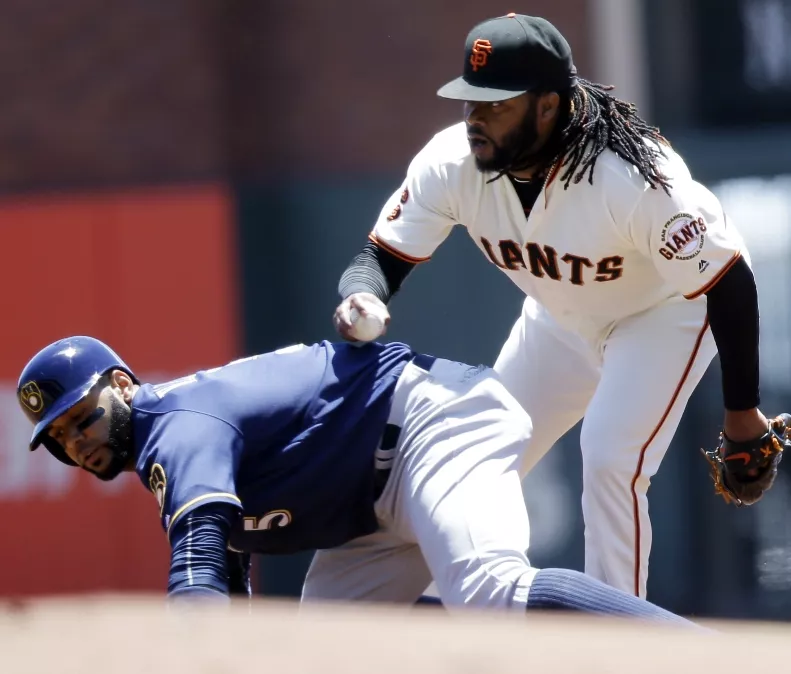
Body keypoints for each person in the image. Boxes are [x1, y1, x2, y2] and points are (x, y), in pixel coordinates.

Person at [333, 13, 772, 598]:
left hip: (661, 315)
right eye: (470, 102)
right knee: (480, 450)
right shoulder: (451, 164)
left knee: (611, 455)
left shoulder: (633, 177)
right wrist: (362, 295)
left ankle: (618, 640)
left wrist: (742, 415)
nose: (475, 119)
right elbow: (379, 259)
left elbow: (729, 281)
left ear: (547, 106)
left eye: (496, 105)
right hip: (559, 319)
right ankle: (417, 607)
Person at [17, 334, 697, 626]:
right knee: (331, 652)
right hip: (368, 507)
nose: (77, 442)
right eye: (61, 438)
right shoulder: (164, 446)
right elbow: (225, 578)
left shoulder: (174, 422)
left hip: (428, 424)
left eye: (80, 416)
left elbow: (196, 571)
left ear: (120, 384)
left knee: (488, 587)